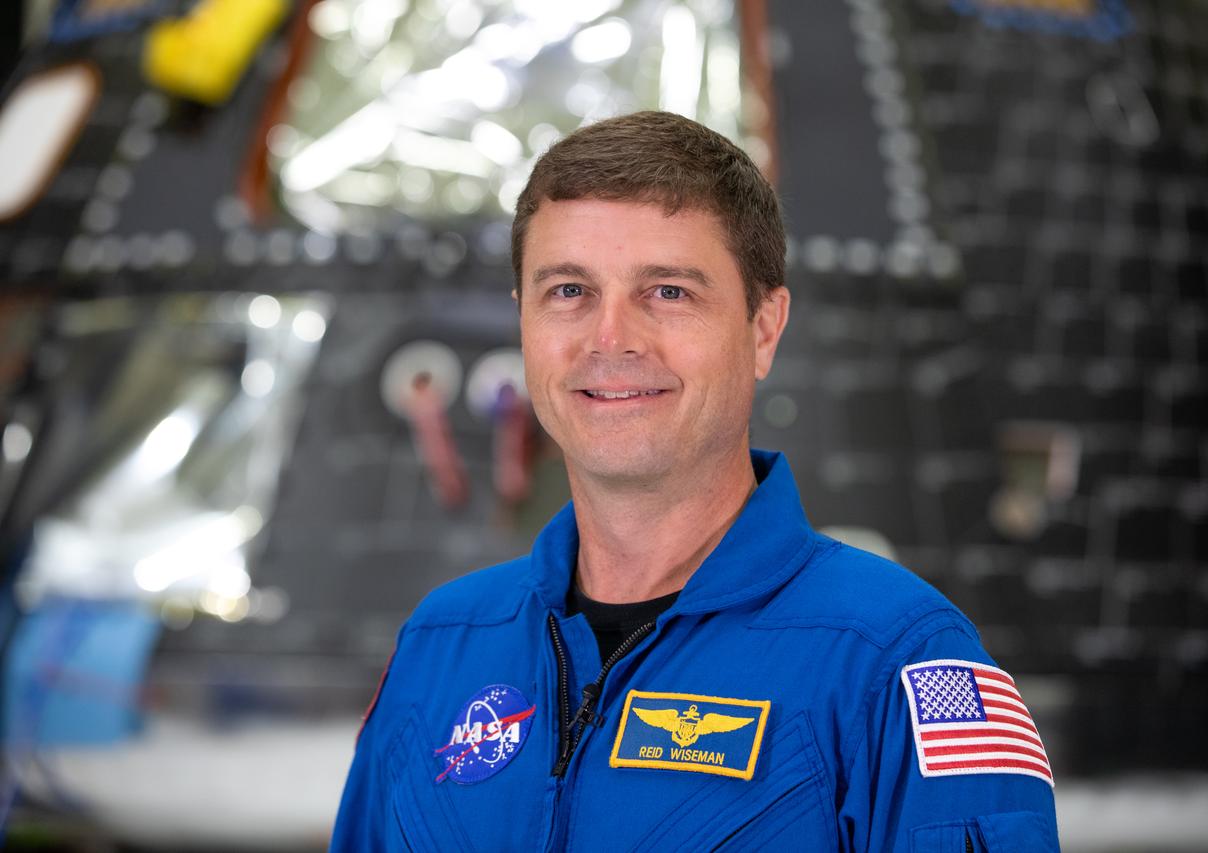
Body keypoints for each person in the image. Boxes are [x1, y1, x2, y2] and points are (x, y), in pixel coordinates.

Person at [331, 111, 1060, 851]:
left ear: (763, 329)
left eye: (669, 291)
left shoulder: (900, 662)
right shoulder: (442, 644)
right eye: (569, 291)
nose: (610, 339)